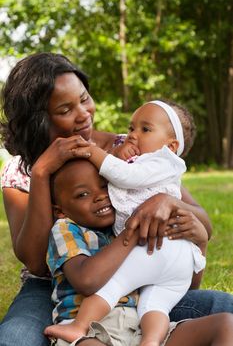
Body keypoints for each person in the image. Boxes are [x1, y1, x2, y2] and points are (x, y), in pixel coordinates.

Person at [0, 52, 233, 346]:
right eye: (65, 109)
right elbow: (35, 262)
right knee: (14, 339)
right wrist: (43, 172)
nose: (83, 113)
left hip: (135, 284)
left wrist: (170, 203)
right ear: (40, 120)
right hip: (50, 290)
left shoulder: (128, 149)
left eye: (84, 99)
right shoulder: (20, 172)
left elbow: (199, 219)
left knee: (226, 309)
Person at [44, 99, 206, 346]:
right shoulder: (150, 162)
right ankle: (151, 341)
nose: (132, 136)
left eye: (144, 129)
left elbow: (124, 175)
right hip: (176, 263)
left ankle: (80, 325)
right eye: (131, 128)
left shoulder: (155, 163)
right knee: (156, 306)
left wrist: (92, 151)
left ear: (172, 146)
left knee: (116, 284)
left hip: (156, 251)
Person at [44, 158, 233, 346]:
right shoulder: (66, 228)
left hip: (141, 329)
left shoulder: (124, 221)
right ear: (60, 211)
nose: (100, 196)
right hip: (87, 330)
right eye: (83, 194)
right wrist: (132, 231)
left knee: (226, 325)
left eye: (104, 187)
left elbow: (183, 287)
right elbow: (85, 281)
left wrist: (199, 245)